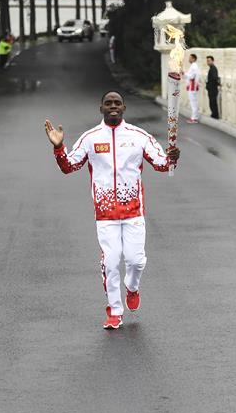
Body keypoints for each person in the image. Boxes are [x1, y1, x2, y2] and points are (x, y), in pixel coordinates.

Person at [45, 91, 180, 329]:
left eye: (117, 103)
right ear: (101, 109)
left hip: (133, 212)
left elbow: (162, 164)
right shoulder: (90, 138)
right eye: (108, 103)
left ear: (124, 108)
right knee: (111, 262)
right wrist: (59, 148)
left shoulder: (139, 137)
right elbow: (69, 166)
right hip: (105, 214)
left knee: (136, 261)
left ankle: (133, 287)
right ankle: (115, 311)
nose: (113, 106)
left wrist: (172, 158)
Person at [185, 53, 200, 123]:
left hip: (192, 86)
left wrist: (185, 74)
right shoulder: (193, 66)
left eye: (190, 58)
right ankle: (194, 117)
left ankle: (194, 118)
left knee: (193, 102)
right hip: (192, 86)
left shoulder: (194, 66)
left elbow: (192, 76)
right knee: (194, 102)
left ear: (194, 59)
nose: (189, 59)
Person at [206, 55, 221, 119]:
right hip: (211, 89)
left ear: (212, 61)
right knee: (212, 102)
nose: (208, 62)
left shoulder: (213, 68)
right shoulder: (211, 68)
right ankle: (213, 114)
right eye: (207, 61)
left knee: (213, 102)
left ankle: (215, 115)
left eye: (209, 61)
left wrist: (218, 83)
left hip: (213, 89)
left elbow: (215, 78)